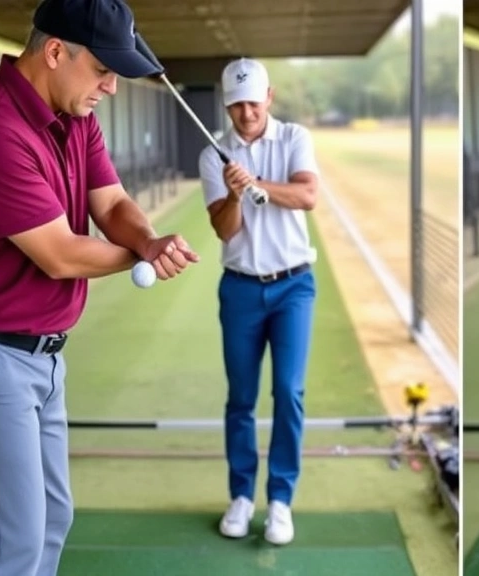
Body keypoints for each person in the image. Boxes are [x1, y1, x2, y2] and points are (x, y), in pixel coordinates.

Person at [0, 0, 200, 574]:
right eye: (104, 70)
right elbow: (60, 254)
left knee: (51, 524)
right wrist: (146, 253)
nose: (111, 87)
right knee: (6, 546)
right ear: (56, 52)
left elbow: (110, 202)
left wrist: (148, 239)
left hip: (43, 359)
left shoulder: (75, 116)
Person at [198, 57, 320, 546]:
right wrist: (232, 196)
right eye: (237, 104)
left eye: (254, 101)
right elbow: (223, 229)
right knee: (241, 399)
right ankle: (242, 496)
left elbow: (308, 194)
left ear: (269, 97)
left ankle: (281, 501)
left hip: (294, 286)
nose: (246, 112)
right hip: (242, 287)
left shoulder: (294, 138)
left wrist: (257, 185)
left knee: (288, 392)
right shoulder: (214, 154)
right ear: (227, 104)